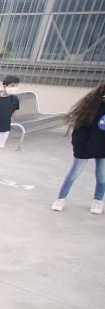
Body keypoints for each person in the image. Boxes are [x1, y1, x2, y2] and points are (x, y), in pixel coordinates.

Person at [51, 82, 105, 214]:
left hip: (103, 148)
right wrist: (80, 146)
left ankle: (98, 201)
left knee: (102, 175)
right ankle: (61, 198)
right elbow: (79, 130)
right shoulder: (91, 106)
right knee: (74, 173)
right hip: (85, 147)